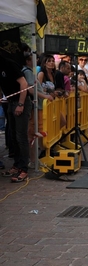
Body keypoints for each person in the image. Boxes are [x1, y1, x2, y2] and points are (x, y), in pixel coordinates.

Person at [0, 54, 32, 182]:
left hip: (20, 102)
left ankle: (24, 169)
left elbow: (23, 83)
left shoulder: (8, 63)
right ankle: (17, 164)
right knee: (13, 135)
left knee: (21, 136)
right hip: (10, 102)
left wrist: (21, 104)